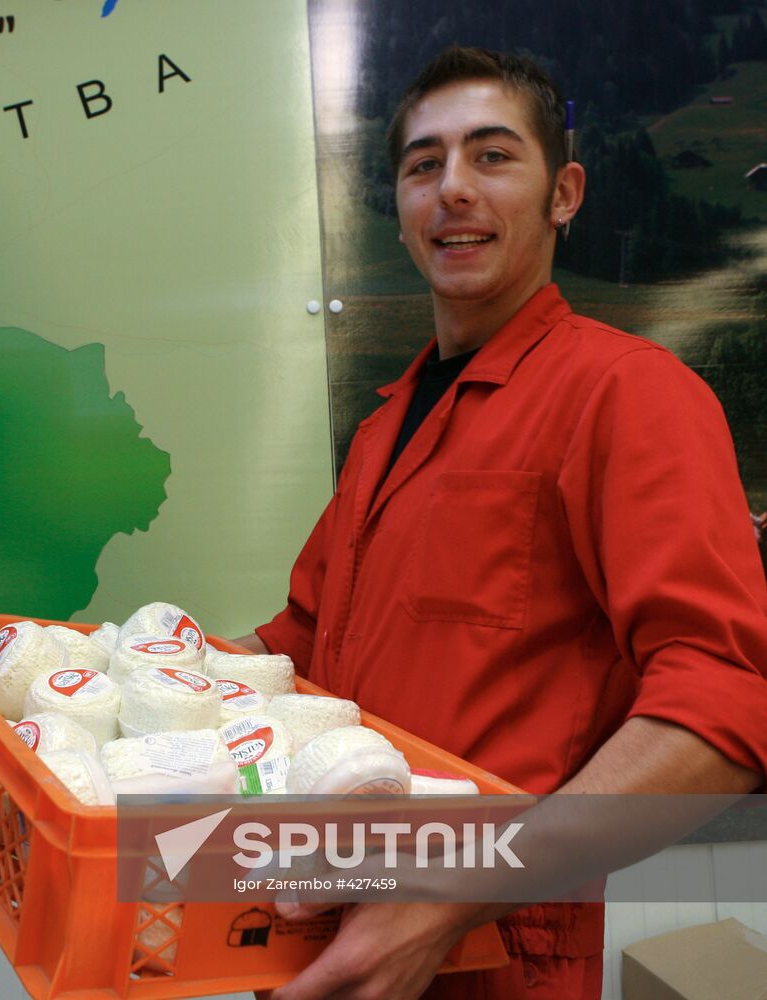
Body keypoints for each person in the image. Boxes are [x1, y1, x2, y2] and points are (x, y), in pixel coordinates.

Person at [235, 46, 767, 1000]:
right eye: (422, 165)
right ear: (396, 209)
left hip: (493, 958)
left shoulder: (627, 394)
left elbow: (722, 706)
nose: (452, 190)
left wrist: (452, 894)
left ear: (563, 192)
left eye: (491, 156)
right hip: (315, 930)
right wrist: (115, 672)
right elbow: (298, 646)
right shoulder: (384, 426)